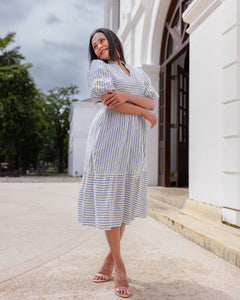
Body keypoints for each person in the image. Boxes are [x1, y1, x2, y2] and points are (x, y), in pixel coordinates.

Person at [78, 28, 158, 298]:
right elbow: (109, 101)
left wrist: (126, 96)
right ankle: (120, 267)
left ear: (113, 40)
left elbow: (152, 100)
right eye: (94, 44)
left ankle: (108, 260)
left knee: (122, 202)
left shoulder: (137, 72)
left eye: (102, 40)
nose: (99, 46)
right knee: (110, 201)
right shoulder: (99, 67)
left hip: (133, 143)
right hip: (108, 140)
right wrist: (141, 110)